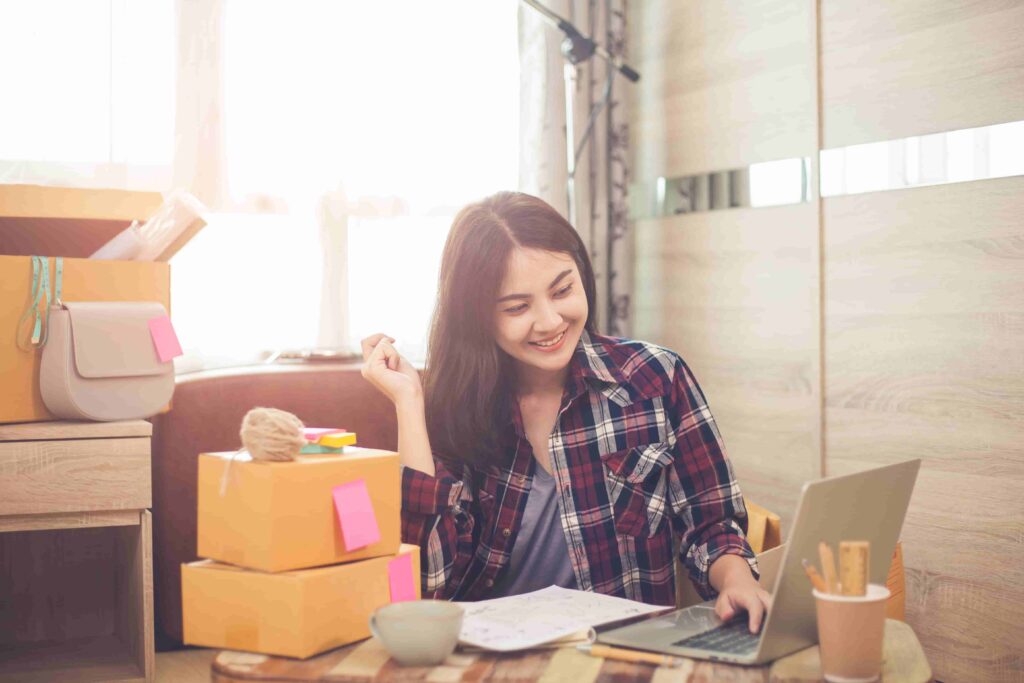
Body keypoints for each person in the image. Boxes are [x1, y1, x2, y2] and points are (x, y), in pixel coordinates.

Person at [360, 191, 770, 633]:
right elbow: (429, 583)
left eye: (563, 290)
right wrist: (409, 403)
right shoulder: (457, 407)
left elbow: (711, 523)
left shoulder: (655, 378)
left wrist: (736, 578)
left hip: (622, 656)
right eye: (518, 307)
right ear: (476, 317)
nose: (551, 320)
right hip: (493, 665)